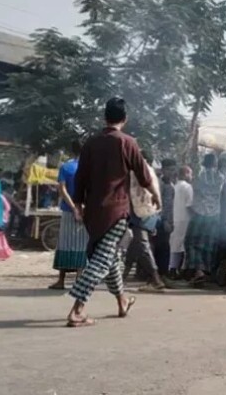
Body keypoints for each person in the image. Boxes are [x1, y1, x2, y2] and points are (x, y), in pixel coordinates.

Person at [65, 98, 160, 328]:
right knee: (101, 261)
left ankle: (122, 301)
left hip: (94, 211)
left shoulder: (91, 143)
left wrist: (78, 203)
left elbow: (81, 176)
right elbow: (143, 173)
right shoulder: (127, 142)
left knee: (111, 258)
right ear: (124, 119)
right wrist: (155, 194)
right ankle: (77, 310)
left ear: (104, 117)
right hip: (116, 211)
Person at [49, 140, 89, 290]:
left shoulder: (65, 166)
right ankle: (79, 279)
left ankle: (61, 281)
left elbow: (62, 189)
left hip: (67, 210)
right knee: (82, 245)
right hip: (85, 209)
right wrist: (82, 207)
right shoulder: (90, 167)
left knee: (65, 243)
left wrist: (73, 208)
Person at [123, 151, 166, 291]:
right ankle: (122, 277)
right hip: (147, 209)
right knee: (136, 244)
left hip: (142, 210)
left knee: (142, 243)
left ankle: (155, 278)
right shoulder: (149, 170)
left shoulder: (140, 169)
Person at [185, 153, 225, 285]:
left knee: (191, 243)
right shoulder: (221, 177)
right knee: (209, 244)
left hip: (199, 213)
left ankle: (198, 271)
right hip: (215, 214)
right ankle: (207, 272)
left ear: (204, 163)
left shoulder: (199, 176)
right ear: (215, 164)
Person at [169, 166, 193, 278]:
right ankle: (181, 269)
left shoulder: (175, 186)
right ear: (186, 174)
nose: (191, 177)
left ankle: (173, 268)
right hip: (185, 218)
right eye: (190, 174)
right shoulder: (188, 187)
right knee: (184, 245)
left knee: (175, 244)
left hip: (175, 218)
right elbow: (189, 205)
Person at [154, 159, 177, 276]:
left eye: (173, 170)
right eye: (169, 169)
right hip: (158, 221)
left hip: (168, 221)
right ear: (163, 170)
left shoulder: (172, 186)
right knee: (159, 246)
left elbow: (171, 205)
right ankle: (157, 274)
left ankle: (163, 273)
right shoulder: (159, 184)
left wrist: (171, 221)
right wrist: (163, 220)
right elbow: (158, 204)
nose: (171, 172)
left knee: (164, 246)